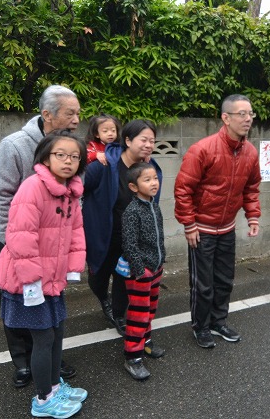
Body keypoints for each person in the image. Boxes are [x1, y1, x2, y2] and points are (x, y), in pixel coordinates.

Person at [0, 84, 80, 387]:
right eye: (70, 113)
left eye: (79, 113)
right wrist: (14, 240)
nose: (77, 119)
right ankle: (23, 362)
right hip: (17, 242)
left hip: (53, 245)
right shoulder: (15, 145)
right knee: (17, 301)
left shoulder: (71, 149)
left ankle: (49, 361)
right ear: (47, 115)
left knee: (49, 303)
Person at [0, 130, 88, 418]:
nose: (68, 161)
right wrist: (32, 282)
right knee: (44, 339)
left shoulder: (72, 190)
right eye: (61, 154)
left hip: (52, 279)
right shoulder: (32, 187)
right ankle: (44, 399)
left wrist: (72, 269)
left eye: (75, 156)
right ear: (46, 157)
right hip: (27, 281)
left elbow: (76, 233)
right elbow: (21, 237)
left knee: (58, 333)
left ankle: (53, 385)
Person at [174, 94, 261, 349]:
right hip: (201, 229)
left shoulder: (250, 152)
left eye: (250, 113)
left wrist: (252, 215)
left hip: (227, 228)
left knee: (225, 279)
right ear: (226, 118)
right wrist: (189, 224)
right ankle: (200, 326)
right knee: (203, 283)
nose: (247, 119)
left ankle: (218, 321)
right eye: (241, 114)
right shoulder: (202, 149)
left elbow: (252, 187)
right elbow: (183, 189)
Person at [82, 120, 163, 338]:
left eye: (152, 141)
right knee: (97, 278)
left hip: (130, 239)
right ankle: (103, 298)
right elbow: (78, 187)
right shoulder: (104, 165)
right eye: (143, 140)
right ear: (127, 140)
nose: (148, 145)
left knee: (124, 279)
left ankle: (118, 314)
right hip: (103, 235)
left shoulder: (150, 168)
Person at [120, 162, 166, 380]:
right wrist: (140, 270)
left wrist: (160, 261)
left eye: (155, 178)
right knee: (138, 316)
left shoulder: (154, 205)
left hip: (155, 269)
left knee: (150, 310)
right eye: (147, 180)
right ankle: (133, 358)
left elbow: (159, 238)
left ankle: (146, 343)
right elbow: (129, 245)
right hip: (140, 274)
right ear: (133, 187)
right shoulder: (132, 212)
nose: (153, 183)